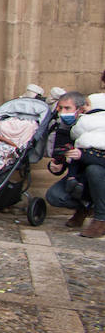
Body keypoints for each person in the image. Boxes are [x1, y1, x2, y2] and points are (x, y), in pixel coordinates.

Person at [45, 91, 92, 229]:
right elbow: (60, 158)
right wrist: (55, 165)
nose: (63, 112)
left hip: (94, 173)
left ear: (80, 109)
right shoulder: (63, 128)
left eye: (67, 108)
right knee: (54, 196)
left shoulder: (93, 125)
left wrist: (82, 156)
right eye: (60, 108)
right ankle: (85, 208)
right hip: (76, 177)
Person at [66, 93, 105, 238]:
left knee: (94, 170)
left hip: (95, 167)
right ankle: (84, 207)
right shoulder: (89, 110)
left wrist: (86, 156)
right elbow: (71, 135)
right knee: (55, 196)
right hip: (85, 169)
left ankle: (101, 219)